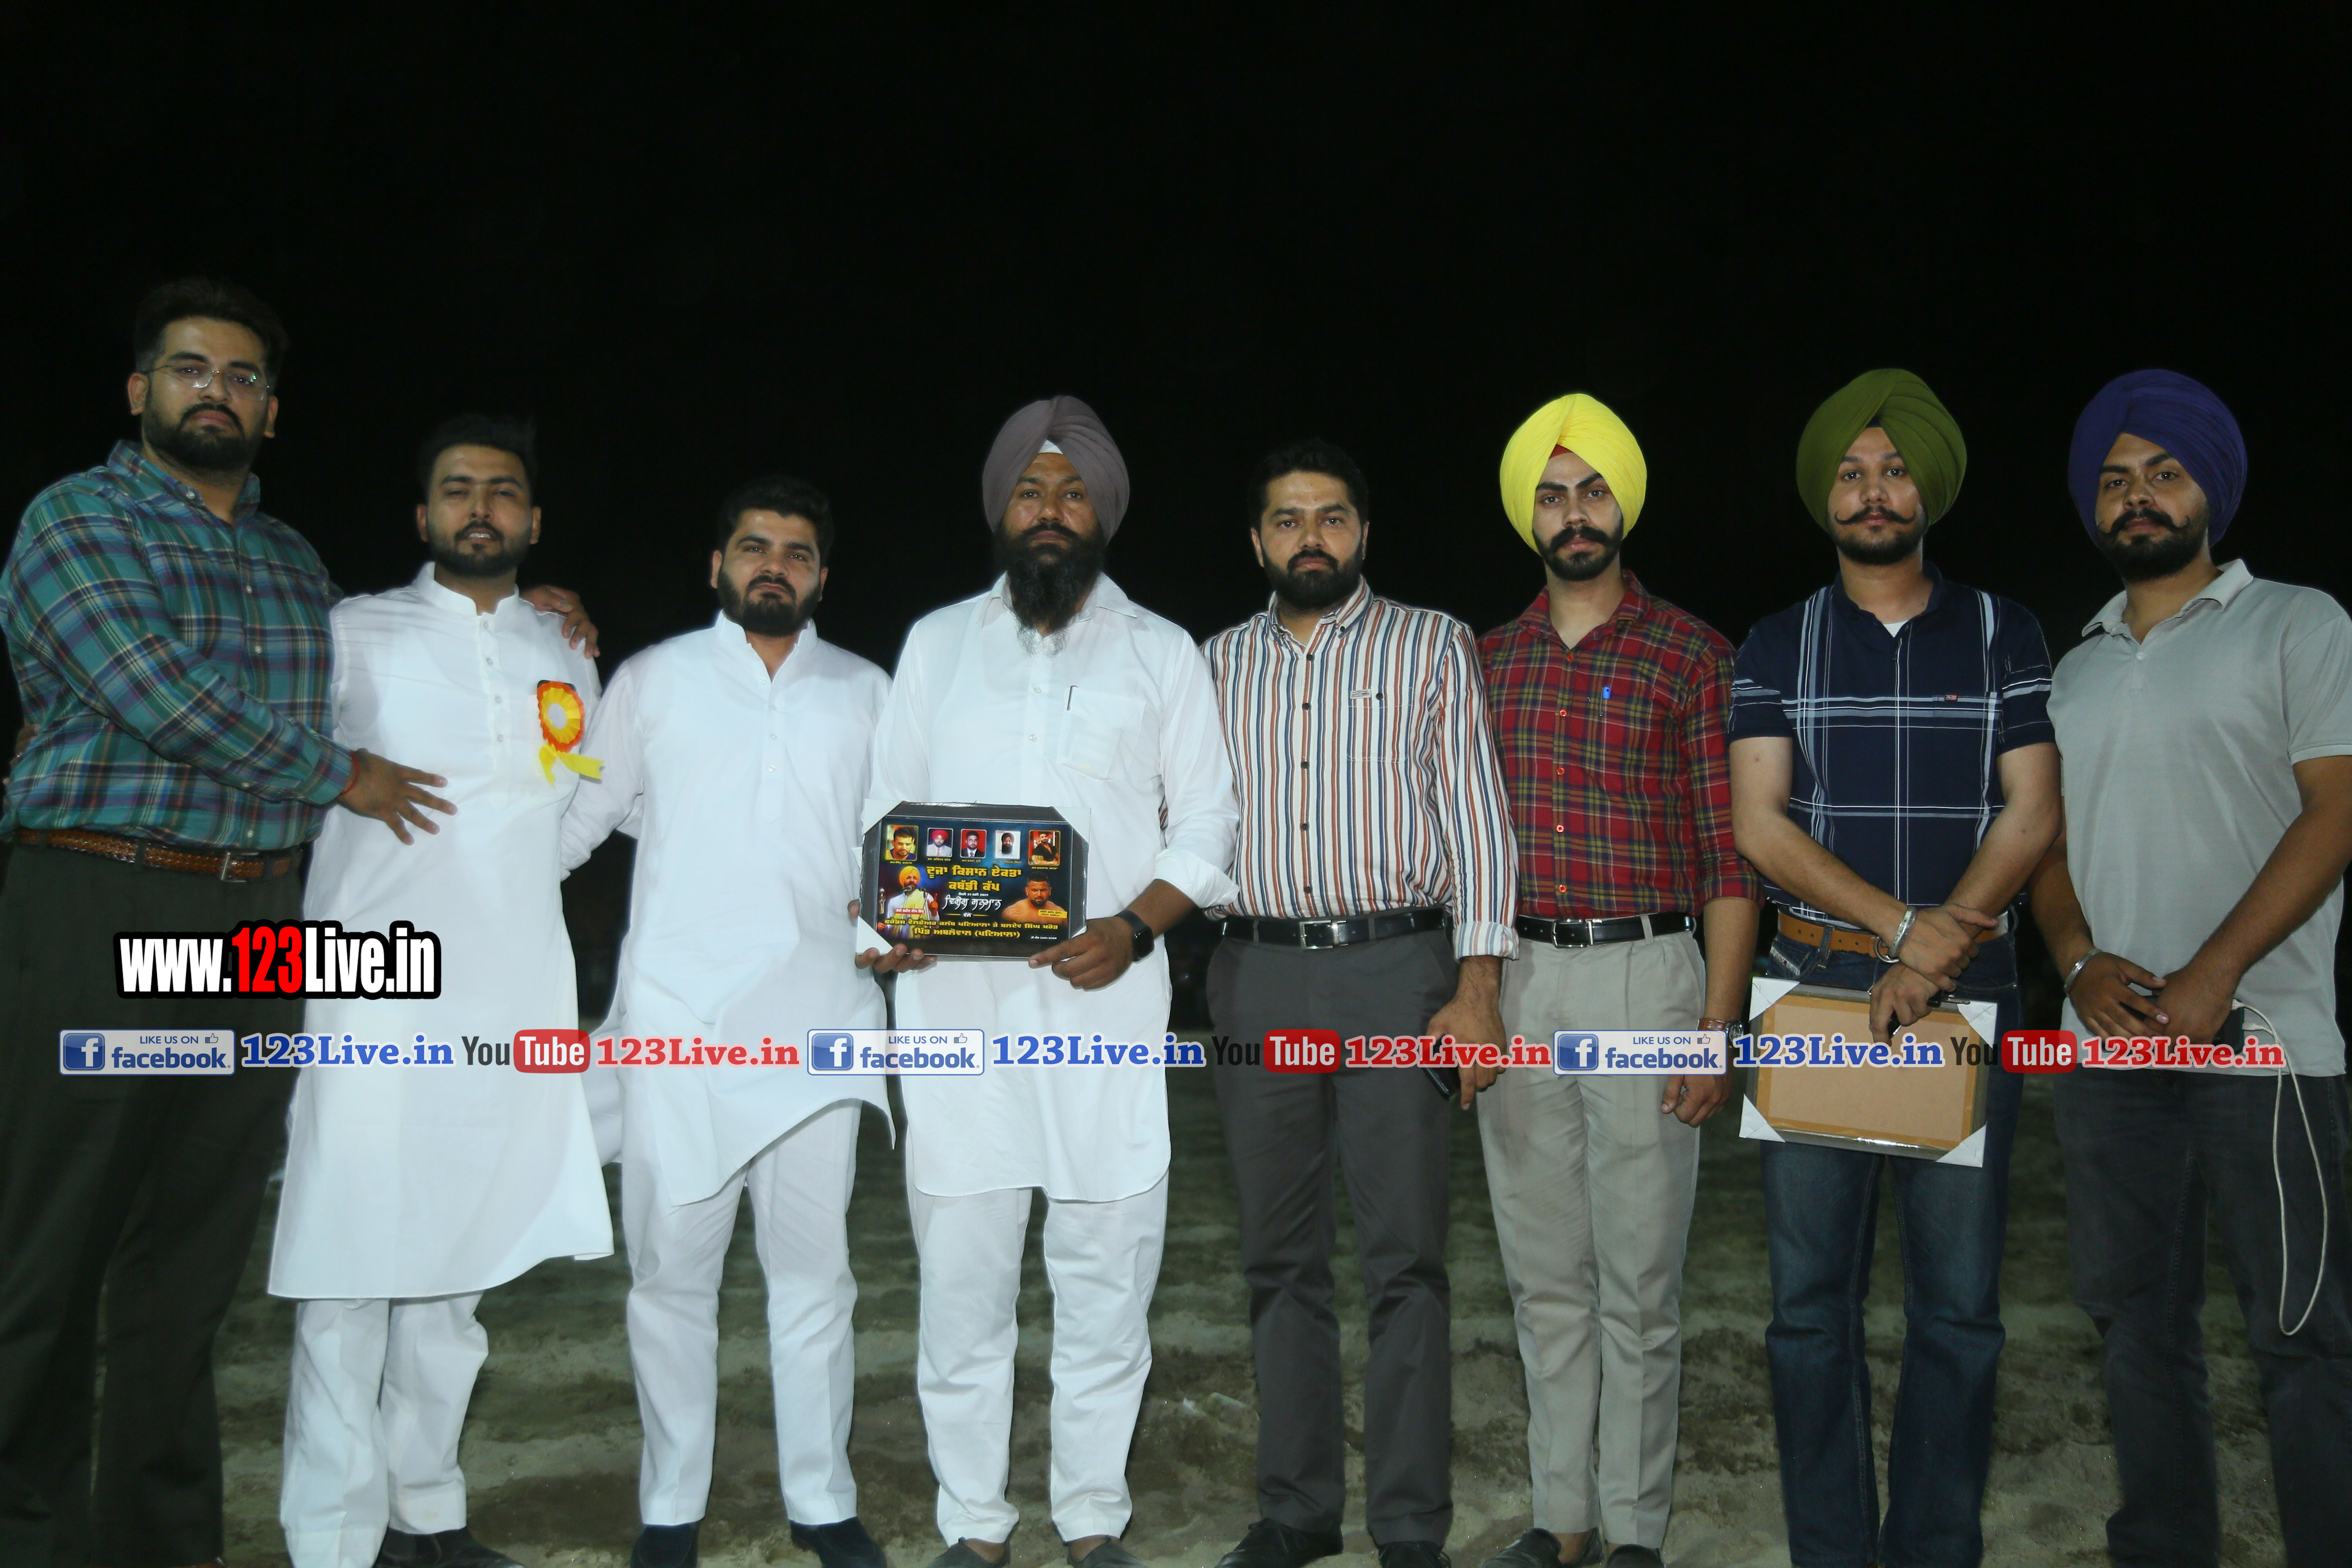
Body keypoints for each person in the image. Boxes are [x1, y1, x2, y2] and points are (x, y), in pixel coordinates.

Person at [0, 278, 583, 1567]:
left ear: (271, 409)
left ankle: (160, 1540)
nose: (217, 391)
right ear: (140, 389)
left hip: (261, 918)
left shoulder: (289, 564)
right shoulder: (76, 519)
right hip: (108, 892)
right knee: (51, 1247)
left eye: (244, 376)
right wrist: (341, 775)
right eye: (190, 367)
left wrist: (538, 612)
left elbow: (428, 661)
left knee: (188, 1258)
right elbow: (153, 688)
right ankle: (28, 1536)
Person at [861, 396, 1238, 1568]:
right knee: (962, 1285)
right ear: (1000, 509)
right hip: (954, 1017)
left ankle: (1089, 1519)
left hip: (1102, 1013)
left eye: (1074, 493)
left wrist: (1133, 927)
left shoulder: (1160, 650)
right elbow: (885, 812)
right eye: (1030, 490)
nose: (1050, 510)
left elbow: (1209, 825)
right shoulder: (936, 645)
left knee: (1103, 1281)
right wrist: (890, 923)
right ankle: (973, 1525)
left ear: (1103, 516)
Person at [1727, 369, 2059, 1568]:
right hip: (1813, 997)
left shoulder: (2004, 630)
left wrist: (1938, 944)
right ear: (1825, 496)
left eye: (1895, 470)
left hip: (1962, 1007)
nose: (1873, 491)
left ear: (1930, 490)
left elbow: (2030, 812)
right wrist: (1896, 928)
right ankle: (1830, 1548)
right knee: (1807, 1312)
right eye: (1851, 472)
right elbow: (1760, 825)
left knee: (1957, 1312)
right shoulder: (1775, 641)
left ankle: (1932, 1546)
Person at [271, 414, 613, 1568]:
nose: (480, 506)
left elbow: (570, 810)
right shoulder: (350, 631)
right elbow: (284, 764)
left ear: (533, 519)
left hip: (508, 999)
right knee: (348, 1262)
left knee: (458, 1266)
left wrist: (516, 884)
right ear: (422, 516)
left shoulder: (564, 648)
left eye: (502, 489)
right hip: (372, 992)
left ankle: (427, 1514)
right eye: (457, 488)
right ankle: (331, 1538)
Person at [2027, 370, 2352, 1567]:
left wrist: (2215, 968)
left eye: (2163, 471)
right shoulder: (2072, 670)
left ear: (2209, 485)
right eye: (2114, 479)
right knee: (2134, 1332)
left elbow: (2335, 810)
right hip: (2109, 1057)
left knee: (2302, 1334)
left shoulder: (2299, 624)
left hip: (2265, 1040)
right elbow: (2046, 847)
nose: (2138, 495)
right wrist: (2073, 960)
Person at [562, 477, 893, 1568]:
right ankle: (670, 1510)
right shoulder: (652, 679)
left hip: (821, 1027)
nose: (774, 566)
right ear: (717, 565)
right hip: (678, 1028)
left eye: (797, 553)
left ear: (822, 577)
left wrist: (901, 926)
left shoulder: (867, 691)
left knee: (815, 1277)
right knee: (670, 1279)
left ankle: (822, 1500)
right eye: (754, 547)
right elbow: (579, 818)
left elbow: (894, 853)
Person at [1198, 439, 1514, 1568]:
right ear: (1257, 539)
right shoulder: (1212, 663)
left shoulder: (1432, 643)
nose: (1310, 536)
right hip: (1257, 972)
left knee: (1404, 1260)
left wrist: (1477, 985)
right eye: (1287, 519)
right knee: (1277, 1260)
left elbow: (1477, 820)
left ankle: (1409, 1523)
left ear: (1363, 533)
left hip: (1396, 971)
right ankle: (1296, 1511)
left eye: (1331, 516)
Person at [1472, 396, 1759, 1568]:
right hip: (1520, 976)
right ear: (1528, 516)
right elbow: (1463, 848)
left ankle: (1636, 1529)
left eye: (1592, 490)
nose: (1573, 513)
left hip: (1649, 977)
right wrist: (1472, 990)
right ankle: (1562, 1520)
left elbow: (1727, 858)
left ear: (1622, 504)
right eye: (1552, 495)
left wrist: (1716, 1025)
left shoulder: (1692, 654)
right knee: (1543, 1276)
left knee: (1639, 1282)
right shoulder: (1482, 662)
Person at [1002, 877, 1067, 925]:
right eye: (1034, 890)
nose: (1039, 895)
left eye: (1043, 890)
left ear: (1050, 891)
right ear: (1027, 891)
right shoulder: (1012, 913)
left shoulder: (1060, 913)